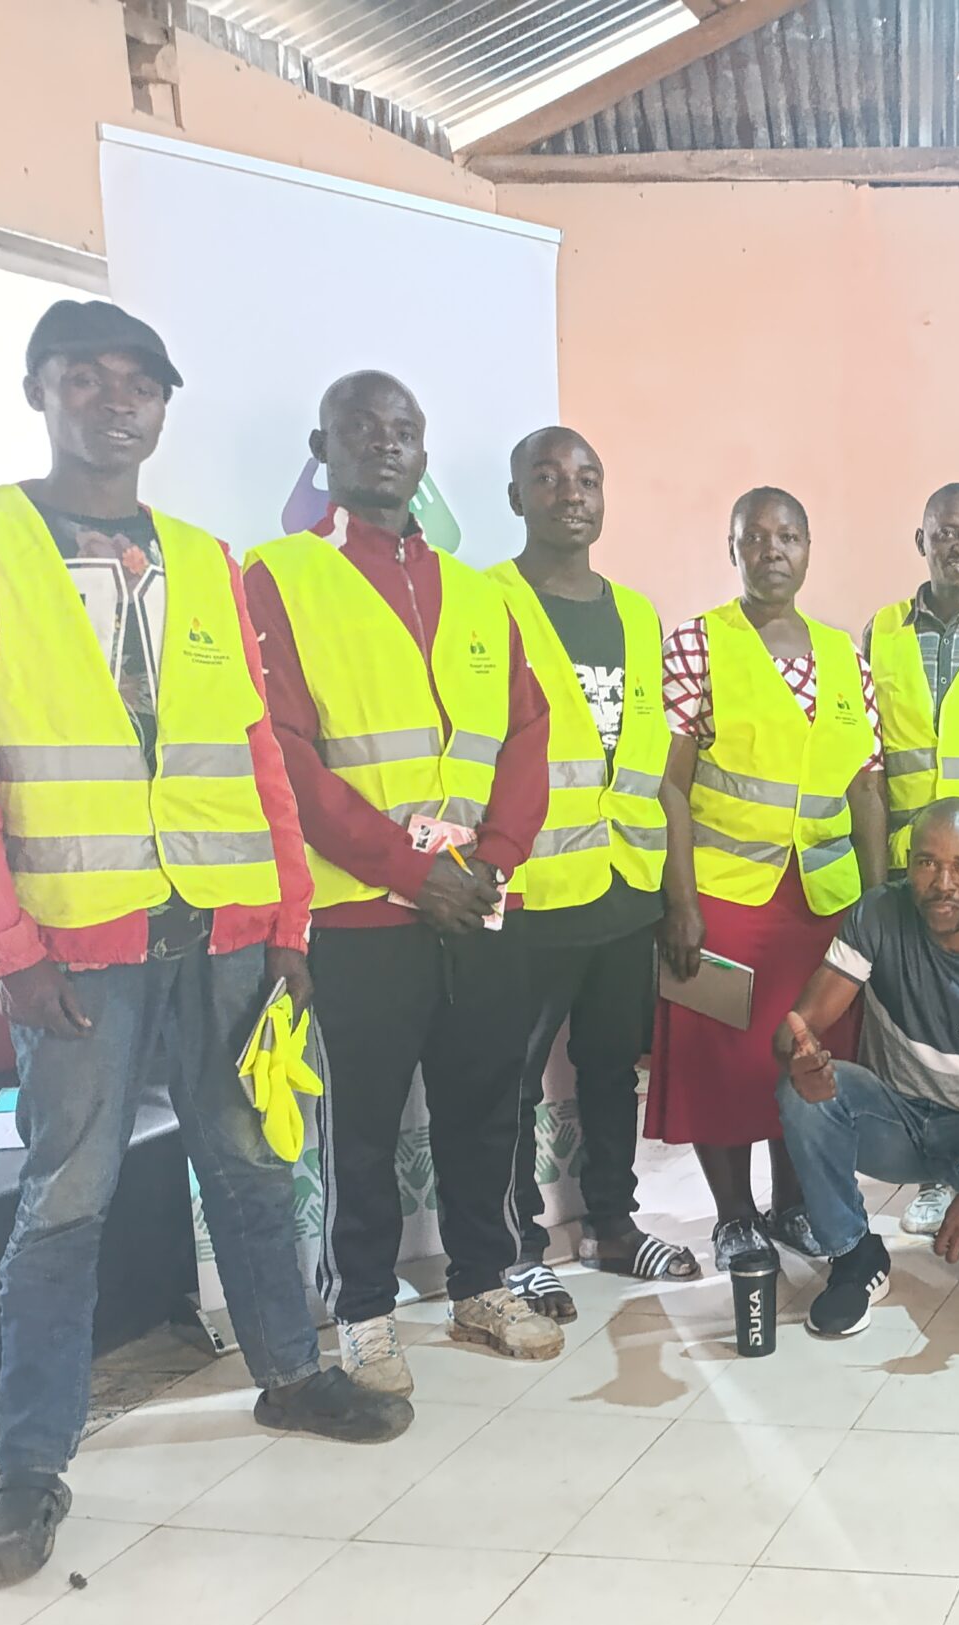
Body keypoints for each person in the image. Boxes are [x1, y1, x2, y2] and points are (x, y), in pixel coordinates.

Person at [0, 303, 412, 1585]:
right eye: (85, 379)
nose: (114, 402)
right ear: (39, 391)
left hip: (227, 931)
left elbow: (254, 759)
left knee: (247, 1164)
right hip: (74, 948)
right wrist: (3, 952)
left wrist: (289, 918)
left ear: (163, 409)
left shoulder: (204, 557)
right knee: (66, 1200)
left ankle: (289, 1373)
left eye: (138, 384)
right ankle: (28, 1469)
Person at [250, 371, 564, 1392]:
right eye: (362, 429)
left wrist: (493, 860)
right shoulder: (280, 575)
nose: (385, 445)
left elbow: (527, 730)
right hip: (359, 911)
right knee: (366, 1124)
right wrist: (406, 869)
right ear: (323, 445)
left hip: (478, 903)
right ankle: (366, 1312)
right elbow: (287, 754)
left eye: (404, 431)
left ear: (423, 454)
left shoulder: (478, 592)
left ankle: (483, 1286)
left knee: (484, 1107)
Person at [490, 427, 698, 1313]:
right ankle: (514, 1246)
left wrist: (676, 898)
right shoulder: (486, 602)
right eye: (548, 477)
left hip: (624, 891)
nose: (570, 493)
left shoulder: (639, 614)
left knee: (613, 1069)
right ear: (517, 498)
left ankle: (614, 1225)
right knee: (509, 1073)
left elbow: (655, 772)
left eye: (586, 478)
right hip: (532, 893)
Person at [650, 486, 884, 1271]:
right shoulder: (696, 644)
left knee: (806, 1055)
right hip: (722, 897)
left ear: (810, 548)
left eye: (788, 536)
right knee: (723, 1060)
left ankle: (793, 1205)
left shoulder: (845, 653)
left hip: (823, 905)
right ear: (734, 549)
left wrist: (879, 910)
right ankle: (734, 1216)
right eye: (756, 538)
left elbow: (866, 787)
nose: (772, 550)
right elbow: (670, 784)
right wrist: (678, 900)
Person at [774, 801, 959, 1336]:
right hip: (895, 1119)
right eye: (927, 863)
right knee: (803, 1093)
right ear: (907, 864)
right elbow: (800, 1025)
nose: (943, 883)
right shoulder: (878, 915)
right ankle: (855, 1257)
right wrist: (801, 1059)